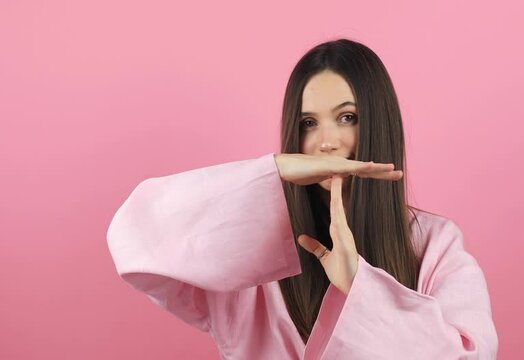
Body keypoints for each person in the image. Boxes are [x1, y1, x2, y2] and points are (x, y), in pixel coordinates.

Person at [107, 38, 498, 359]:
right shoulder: (249, 246)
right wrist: (274, 170)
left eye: (347, 117)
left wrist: (360, 286)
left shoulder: (436, 245)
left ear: (379, 122)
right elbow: (135, 238)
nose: (326, 142)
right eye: (308, 123)